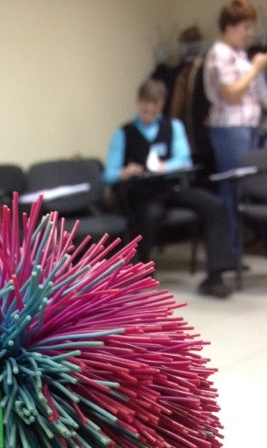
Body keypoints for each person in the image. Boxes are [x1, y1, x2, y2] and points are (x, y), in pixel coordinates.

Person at [104, 78, 235, 298]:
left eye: (153, 108)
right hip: (143, 192)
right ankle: (140, 269)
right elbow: (108, 175)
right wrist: (125, 172)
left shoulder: (173, 127)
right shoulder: (124, 133)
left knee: (214, 205)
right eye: (145, 108)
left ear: (161, 105)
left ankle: (215, 276)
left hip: (171, 187)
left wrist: (166, 166)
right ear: (138, 102)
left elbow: (183, 160)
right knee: (150, 213)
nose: (149, 112)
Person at [203, 0, 267, 248]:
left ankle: (237, 248)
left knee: (246, 188)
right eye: (245, 27)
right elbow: (230, 94)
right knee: (233, 188)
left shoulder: (238, 54)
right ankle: (230, 251)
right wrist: (256, 68)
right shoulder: (219, 53)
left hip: (247, 127)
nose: (249, 33)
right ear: (230, 26)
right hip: (231, 129)